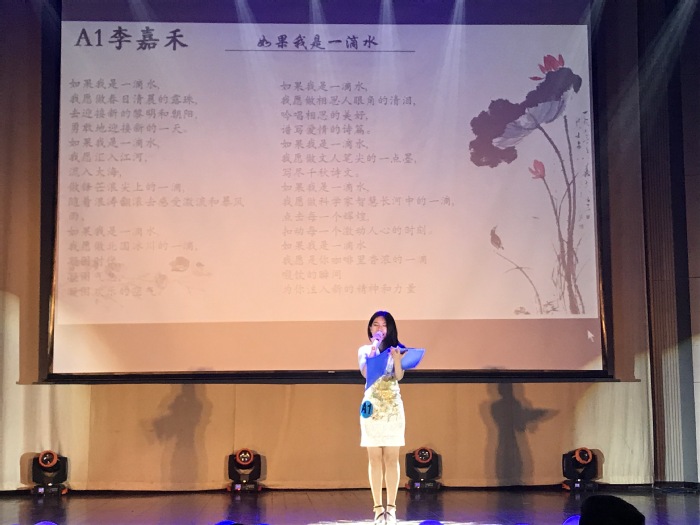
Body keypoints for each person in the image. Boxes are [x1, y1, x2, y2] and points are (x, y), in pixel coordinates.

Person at [358, 310, 407, 525]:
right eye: (375, 324)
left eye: (384, 325)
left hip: (392, 406)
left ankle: (392, 508)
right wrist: (373, 349)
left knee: (392, 458)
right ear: (370, 328)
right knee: (374, 458)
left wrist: (397, 359)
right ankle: (378, 508)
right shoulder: (364, 350)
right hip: (371, 406)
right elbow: (365, 373)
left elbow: (399, 376)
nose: (379, 328)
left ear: (390, 328)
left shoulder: (397, 349)